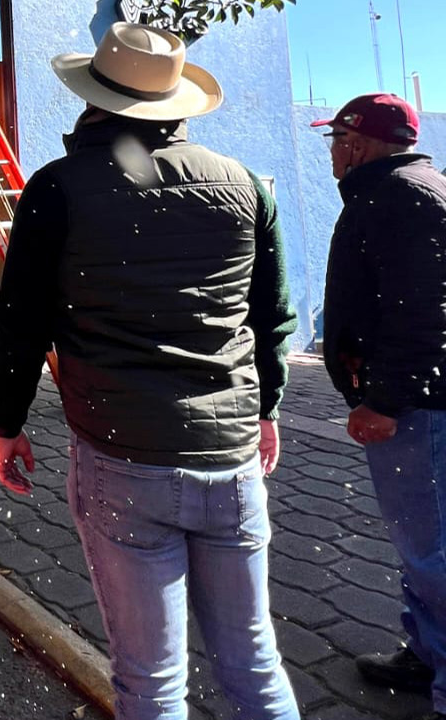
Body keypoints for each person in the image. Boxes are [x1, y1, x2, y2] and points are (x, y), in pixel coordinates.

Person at [0, 24, 300, 720]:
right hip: (233, 458)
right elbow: (273, 317)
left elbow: (22, 321)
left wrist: (6, 424)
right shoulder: (247, 186)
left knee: (153, 682)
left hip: (123, 457)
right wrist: (266, 411)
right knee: (255, 663)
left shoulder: (57, 188)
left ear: (92, 100)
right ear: (175, 104)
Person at [316, 92, 446, 720]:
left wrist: (385, 401)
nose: (332, 155)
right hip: (420, 403)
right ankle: (426, 655)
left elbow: (422, 313)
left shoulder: (398, 196)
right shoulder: (408, 188)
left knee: (432, 548)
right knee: (422, 543)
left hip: (418, 409)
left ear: (357, 144)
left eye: (335, 142)